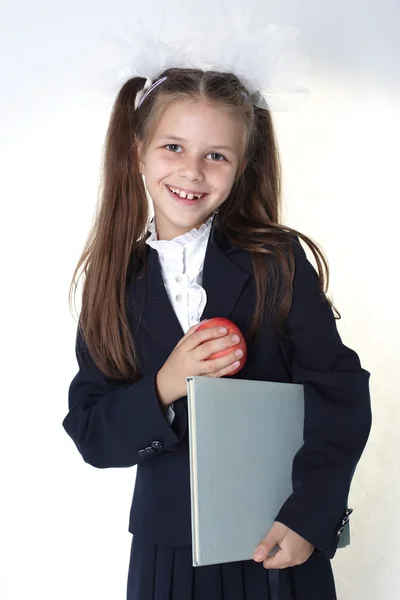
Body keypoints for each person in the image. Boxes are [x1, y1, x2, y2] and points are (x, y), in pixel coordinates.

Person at [62, 67, 372, 600]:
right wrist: (166, 382)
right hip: (167, 553)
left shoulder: (275, 259)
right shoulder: (112, 280)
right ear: (138, 151)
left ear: (241, 167)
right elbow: (92, 433)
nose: (193, 171)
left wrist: (310, 516)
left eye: (216, 155)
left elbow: (339, 392)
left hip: (277, 538)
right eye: (174, 147)